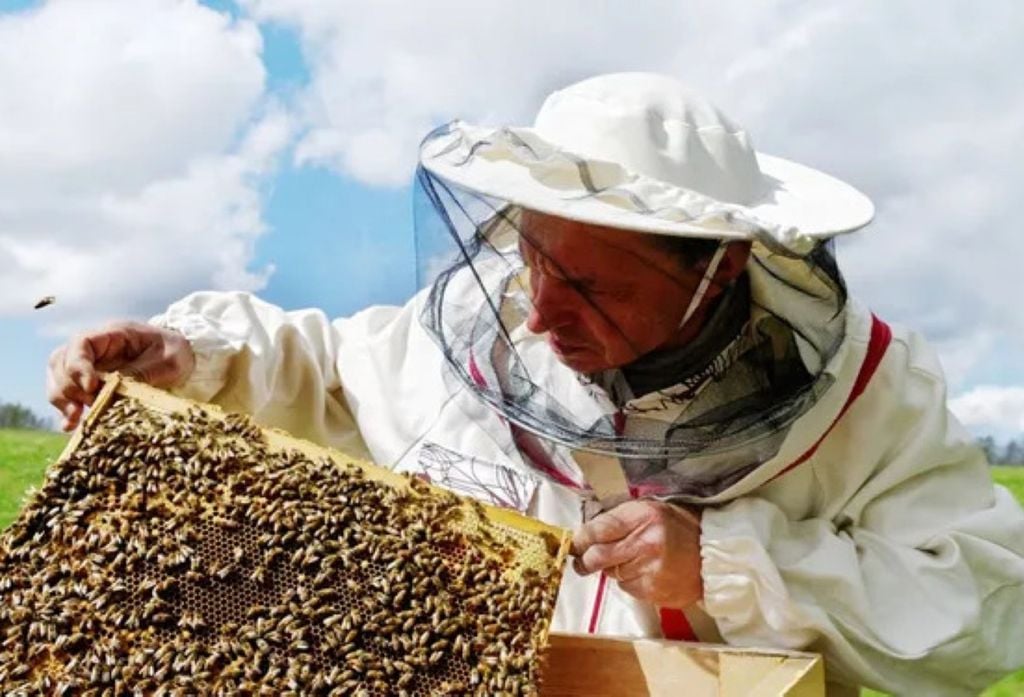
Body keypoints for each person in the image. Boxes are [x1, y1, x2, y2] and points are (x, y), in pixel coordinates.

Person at [47, 73, 1024, 696]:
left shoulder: (876, 394)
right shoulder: (484, 331)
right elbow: (331, 369)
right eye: (532, 259)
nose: (541, 312)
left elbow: (978, 611)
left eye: (593, 284)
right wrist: (188, 359)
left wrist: (728, 561)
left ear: (718, 270)